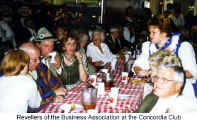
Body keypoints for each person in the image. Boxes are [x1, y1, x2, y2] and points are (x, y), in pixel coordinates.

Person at [132, 16, 197, 98]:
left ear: (164, 33)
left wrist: (162, 73)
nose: (150, 35)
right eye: (150, 32)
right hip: (161, 90)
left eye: (154, 32)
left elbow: (191, 73)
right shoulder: (149, 47)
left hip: (183, 91)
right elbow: (137, 65)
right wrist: (140, 71)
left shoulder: (182, 47)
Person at [20, 42, 67, 112]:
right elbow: (30, 107)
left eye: (39, 58)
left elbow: (58, 86)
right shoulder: (16, 77)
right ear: (22, 60)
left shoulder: (41, 67)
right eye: (35, 60)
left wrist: (56, 96)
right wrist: (53, 94)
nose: (39, 61)